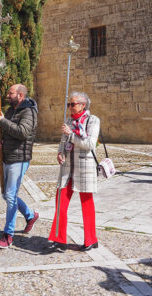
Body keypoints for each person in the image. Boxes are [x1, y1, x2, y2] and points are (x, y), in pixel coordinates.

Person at [47, 92, 99, 253]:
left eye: (73, 104)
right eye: (69, 104)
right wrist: (59, 152)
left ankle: (91, 239)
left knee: (86, 204)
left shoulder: (93, 120)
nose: (70, 107)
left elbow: (89, 144)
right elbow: (63, 140)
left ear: (83, 105)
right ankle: (59, 238)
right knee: (60, 202)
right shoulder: (69, 121)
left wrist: (71, 135)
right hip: (67, 168)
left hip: (84, 167)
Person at [0, 84, 39, 249]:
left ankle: (8, 234)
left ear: (20, 95)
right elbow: (6, 133)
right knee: (6, 195)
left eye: (10, 93)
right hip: (7, 156)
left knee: (11, 196)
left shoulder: (29, 111)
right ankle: (30, 215)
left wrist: (3, 122)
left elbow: (23, 132)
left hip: (19, 159)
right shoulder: (10, 110)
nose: (8, 95)